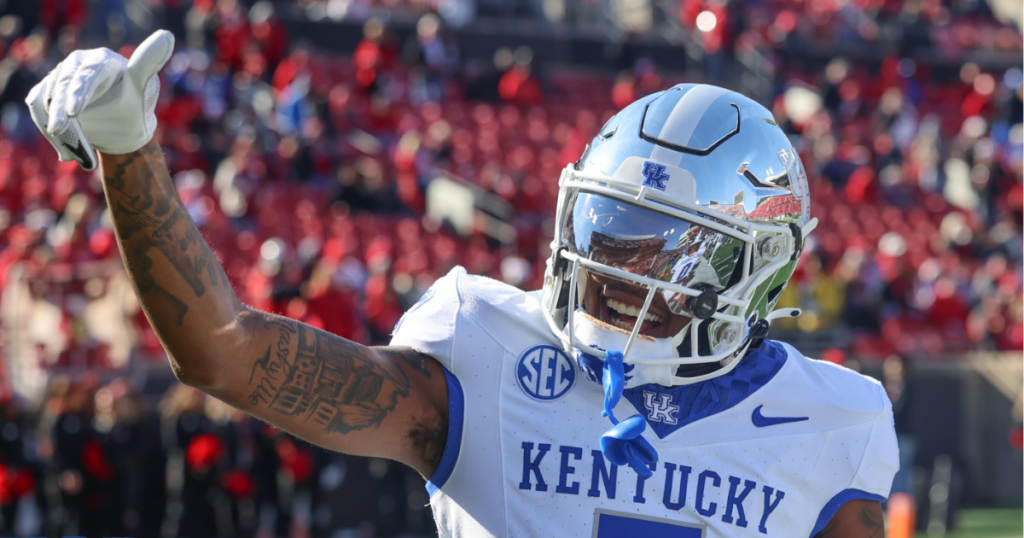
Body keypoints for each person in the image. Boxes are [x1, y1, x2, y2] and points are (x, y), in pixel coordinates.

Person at [26, 31, 897, 537]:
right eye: (610, 230)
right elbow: (222, 355)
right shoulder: (483, 348)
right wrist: (130, 151)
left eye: (665, 248)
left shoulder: (834, 423)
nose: (617, 266)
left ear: (757, 268)